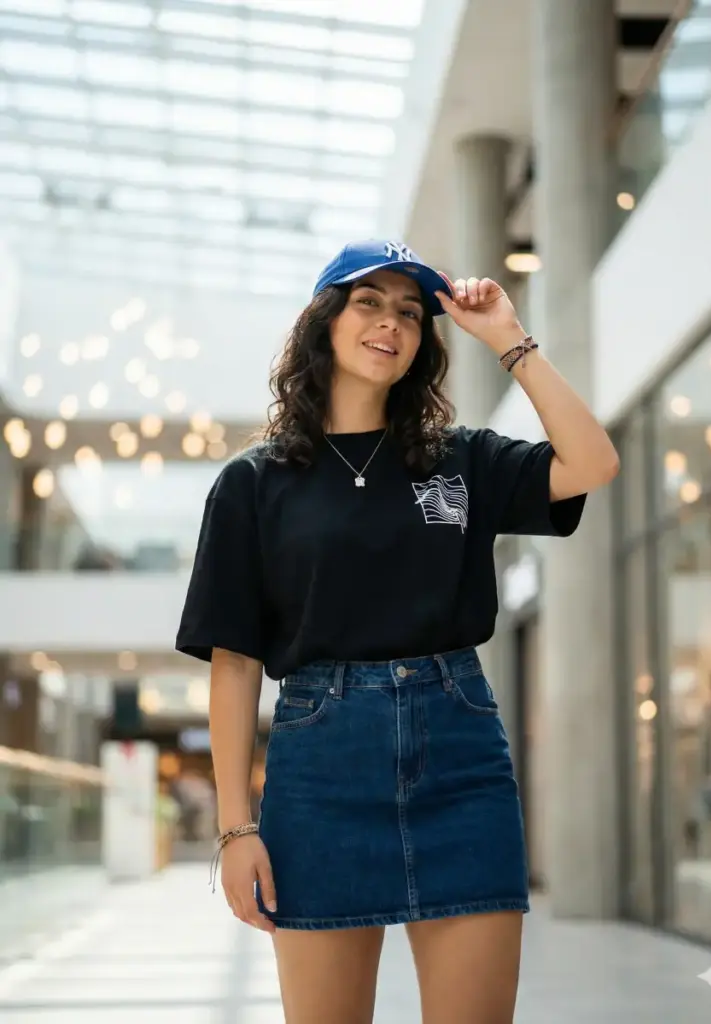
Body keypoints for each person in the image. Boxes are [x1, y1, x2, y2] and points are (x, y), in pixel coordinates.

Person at [176, 239, 619, 1023]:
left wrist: (509, 340)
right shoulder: (254, 483)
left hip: (460, 763)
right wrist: (234, 826)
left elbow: (591, 463)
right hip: (319, 770)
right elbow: (235, 662)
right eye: (369, 303)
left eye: (409, 313)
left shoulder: (459, 460)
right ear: (324, 322)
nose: (391, 324)